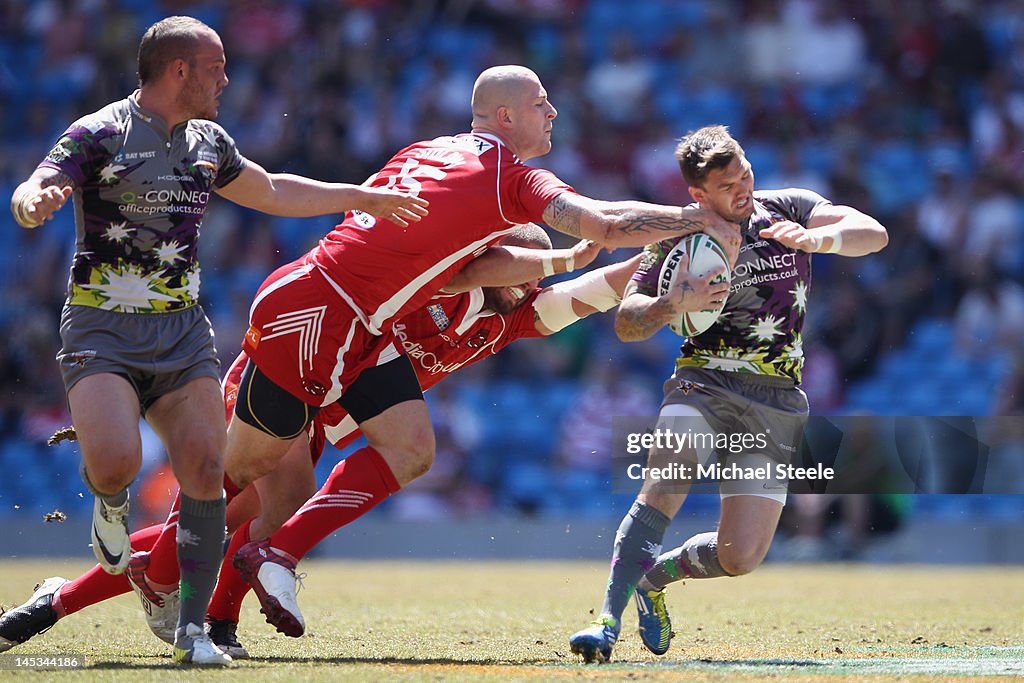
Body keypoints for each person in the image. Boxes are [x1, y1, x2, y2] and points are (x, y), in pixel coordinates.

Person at [116, 63, 737, 645]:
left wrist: (636, 262)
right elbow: (594, 226)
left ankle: (204, 581)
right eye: (540, 103)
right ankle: (150, 571)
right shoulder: (505, 178)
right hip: (324, 316)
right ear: (503, 115)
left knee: (397, 456)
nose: (553, 112)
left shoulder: (428, 152)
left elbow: (549, 283)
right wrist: (689, 219)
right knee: (244, 482)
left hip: (348, 326)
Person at [0, 227, 641, 659]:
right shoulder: (429, 284)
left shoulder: (507, 321)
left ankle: (80, 599)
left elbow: (589, 294)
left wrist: (656, 255)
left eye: (535, 273)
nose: (528, 283)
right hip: (281, 380)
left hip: (320, 417)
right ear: (485, 256)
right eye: (518, 264)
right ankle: (100, 599)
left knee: (236, 529)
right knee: (228, 530)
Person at [7, 15, 427, 666]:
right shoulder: (98, 133)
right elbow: (38, 181)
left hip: (182, 332)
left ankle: (193, 630)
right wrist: (33, 199)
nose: (227, 78)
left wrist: (357, 196)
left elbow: (272, 189)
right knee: (116, 462)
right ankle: (110, 504)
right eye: (216, 67)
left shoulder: (208, 141)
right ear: (180, 71)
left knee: (207, 476)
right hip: (102, 326)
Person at [568, 125, 888, 663]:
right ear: (699, 195)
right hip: (704, 379)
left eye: (745, 174)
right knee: (664, 486)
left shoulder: (789, 207)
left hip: (776, 396)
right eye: (729, 184)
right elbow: (626, 323)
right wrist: (674, 304)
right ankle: (605, 621)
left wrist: (816, 239)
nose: (744, 188)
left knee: (742, 556)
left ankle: (654, 579)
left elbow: (872, 232)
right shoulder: (677, 236)